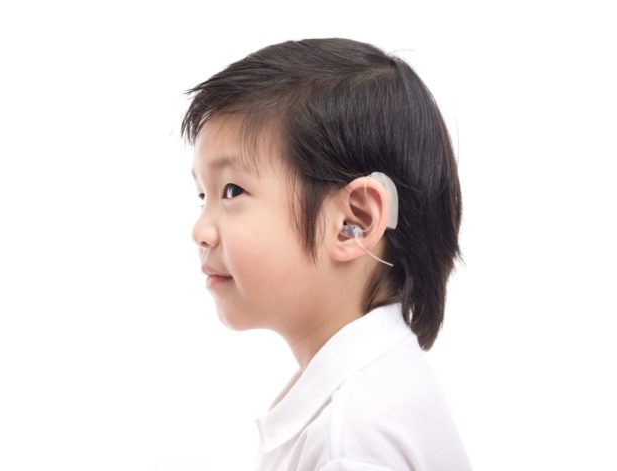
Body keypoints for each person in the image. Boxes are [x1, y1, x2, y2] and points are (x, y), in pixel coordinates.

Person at [182, 38, 471, 471]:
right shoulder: (375, 388)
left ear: (354, 222)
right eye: (202, 195)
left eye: (233, 191)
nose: (200, 231)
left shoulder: (350, 441)